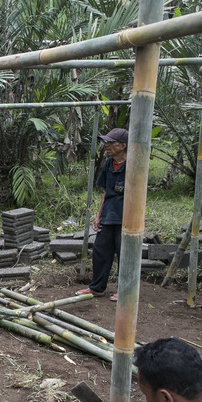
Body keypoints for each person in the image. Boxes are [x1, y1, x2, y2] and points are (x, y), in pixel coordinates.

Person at [77, 128, 128, 302]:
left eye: (111, 142)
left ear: (122, 146)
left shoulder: (133, 165)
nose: (106, 145)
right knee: (100, 251)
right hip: (109, 214)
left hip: (127, 217)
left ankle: (125, 290)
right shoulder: (108, 163)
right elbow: (106, 192)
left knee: (125, 253)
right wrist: (99, 215)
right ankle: (97, 287)